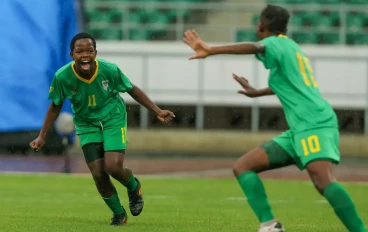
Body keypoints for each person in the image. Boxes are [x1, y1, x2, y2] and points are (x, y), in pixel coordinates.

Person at [183, 4, 367, 232]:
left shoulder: (275, 42)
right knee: (243, 167)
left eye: (258, 21)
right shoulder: (290, 48)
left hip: (313, 123)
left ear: (262, 24)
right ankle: (270, 225)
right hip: (300, 128)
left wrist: (211, 50)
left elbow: (256, 46)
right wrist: (256, 92)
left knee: (323, 181)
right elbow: (289, 84)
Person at [30, 32, 175, 226]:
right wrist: (42, 136)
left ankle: (133, 186)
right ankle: (118, 214)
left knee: (113, 166)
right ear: (72, 55)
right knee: (98, 172)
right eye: (79, 51)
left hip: (112, 118)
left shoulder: (109, 70)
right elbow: (55, 105)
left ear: (95, 52)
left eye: (89, 51)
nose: (85, 55)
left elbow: (131, 89)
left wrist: (156, 111)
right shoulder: (62, 76)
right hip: (86, 124)